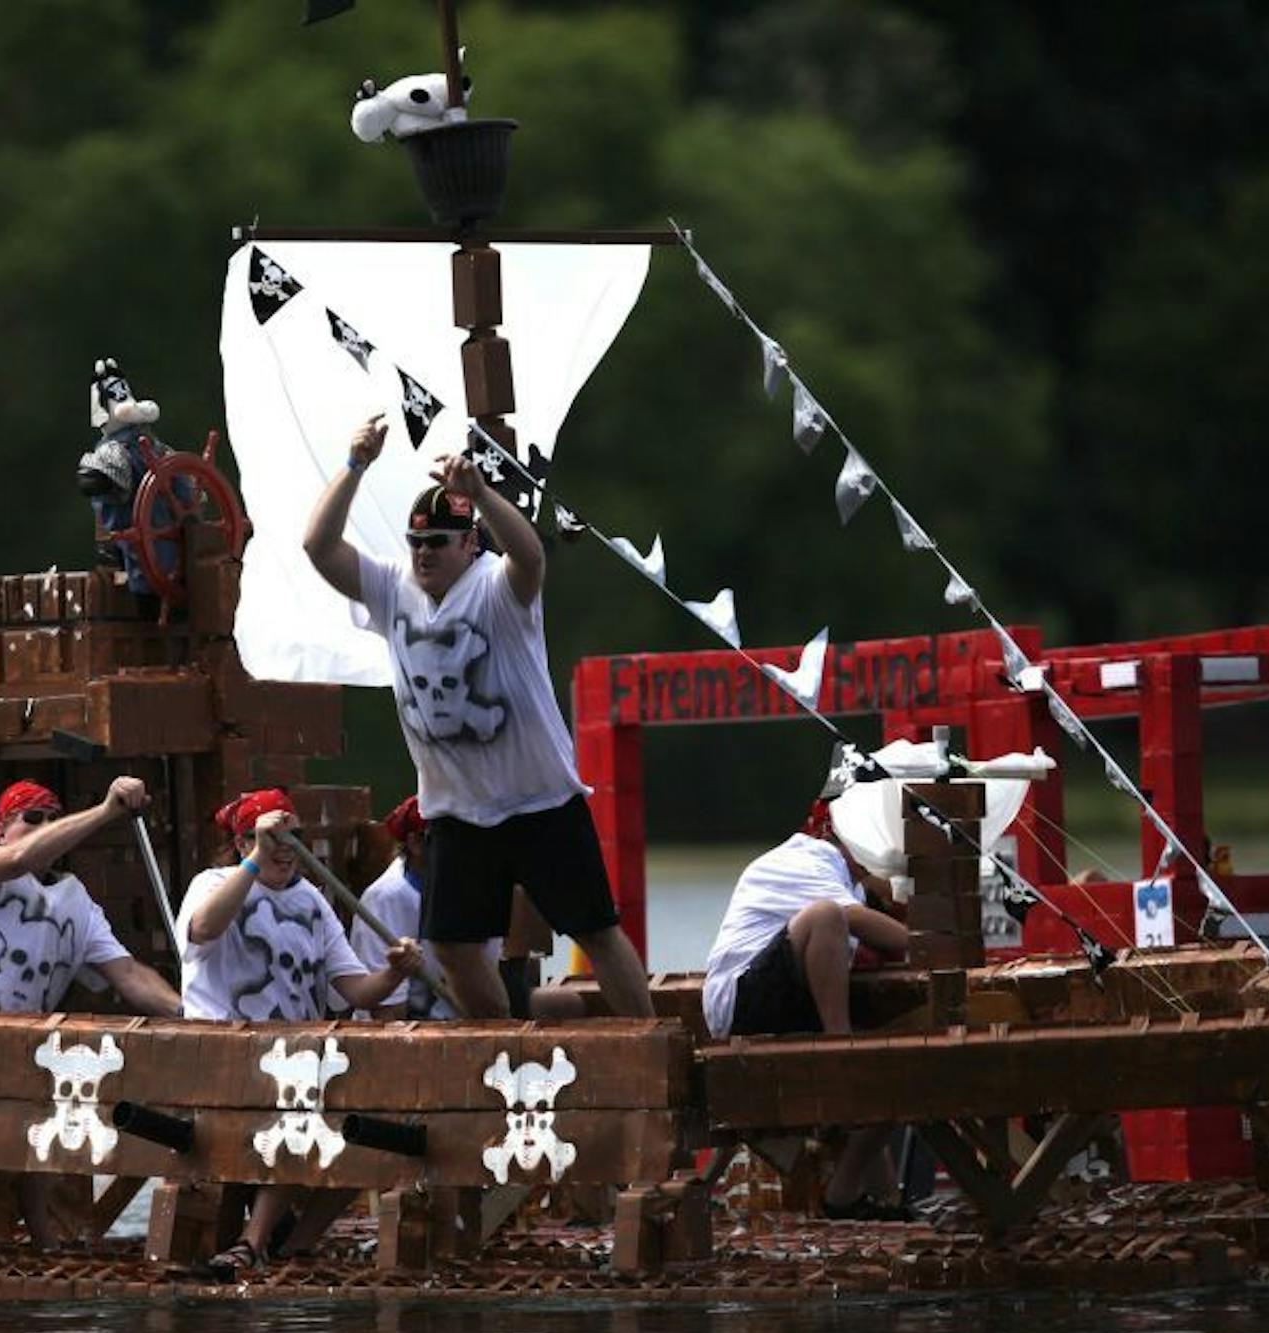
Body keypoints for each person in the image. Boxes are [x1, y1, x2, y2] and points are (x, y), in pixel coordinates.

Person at [302, 415, 655, 1021]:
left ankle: (650, 1045)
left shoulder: (497, 587)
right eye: (416, 543)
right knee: (453, 947)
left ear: (469, 544)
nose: (423, 554)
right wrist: (355, 465)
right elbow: (319, 547)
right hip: (458, 811)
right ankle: (507, 1048)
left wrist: (482, 494)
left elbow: (530, 556)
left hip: (538, 798)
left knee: (595, 929)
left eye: (438, 542)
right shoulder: (392, 587)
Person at [0, 777, 184, 1246]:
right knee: (10, 1128)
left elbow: (128, 974)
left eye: (53, 819)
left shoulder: (76, 902)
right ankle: (22, 1239)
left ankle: (45, 1242)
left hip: (20, 1053)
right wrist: (107, 811)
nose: (45, 826)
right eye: (32, 818)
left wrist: (189, 1013)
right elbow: (20, 859)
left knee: (45, 1118)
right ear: (1, 830)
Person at [175, 787, 424, 1274]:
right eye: (272, 840)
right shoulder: (214, 882)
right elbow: (203, 929)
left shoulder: (311, 898)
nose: (285, 851)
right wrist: (255, 859)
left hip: (296, 1061)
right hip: (225, 1056)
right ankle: (253, 1243)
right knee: (300, 1097)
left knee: (377, 1127)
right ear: (241, 843)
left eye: (293, 840)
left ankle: (293, 1246)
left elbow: (357, 990)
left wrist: (395, 972)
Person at [703, 798, 911, 1220]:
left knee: (897, 1068)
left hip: (789, 998)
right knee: (826, 916)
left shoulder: (851, 884)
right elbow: (858, 922)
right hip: (742, 1003)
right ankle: (840, 1051)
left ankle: (855, 1196)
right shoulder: (807, 857)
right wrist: (931, 942)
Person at [353, 795, 588, 1022]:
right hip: (422, 1018)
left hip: (475, 1000)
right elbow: (387, 1011)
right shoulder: (387, 898)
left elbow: (504, 970)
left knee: (565, 1003)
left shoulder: (476, 878)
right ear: (416, 844)